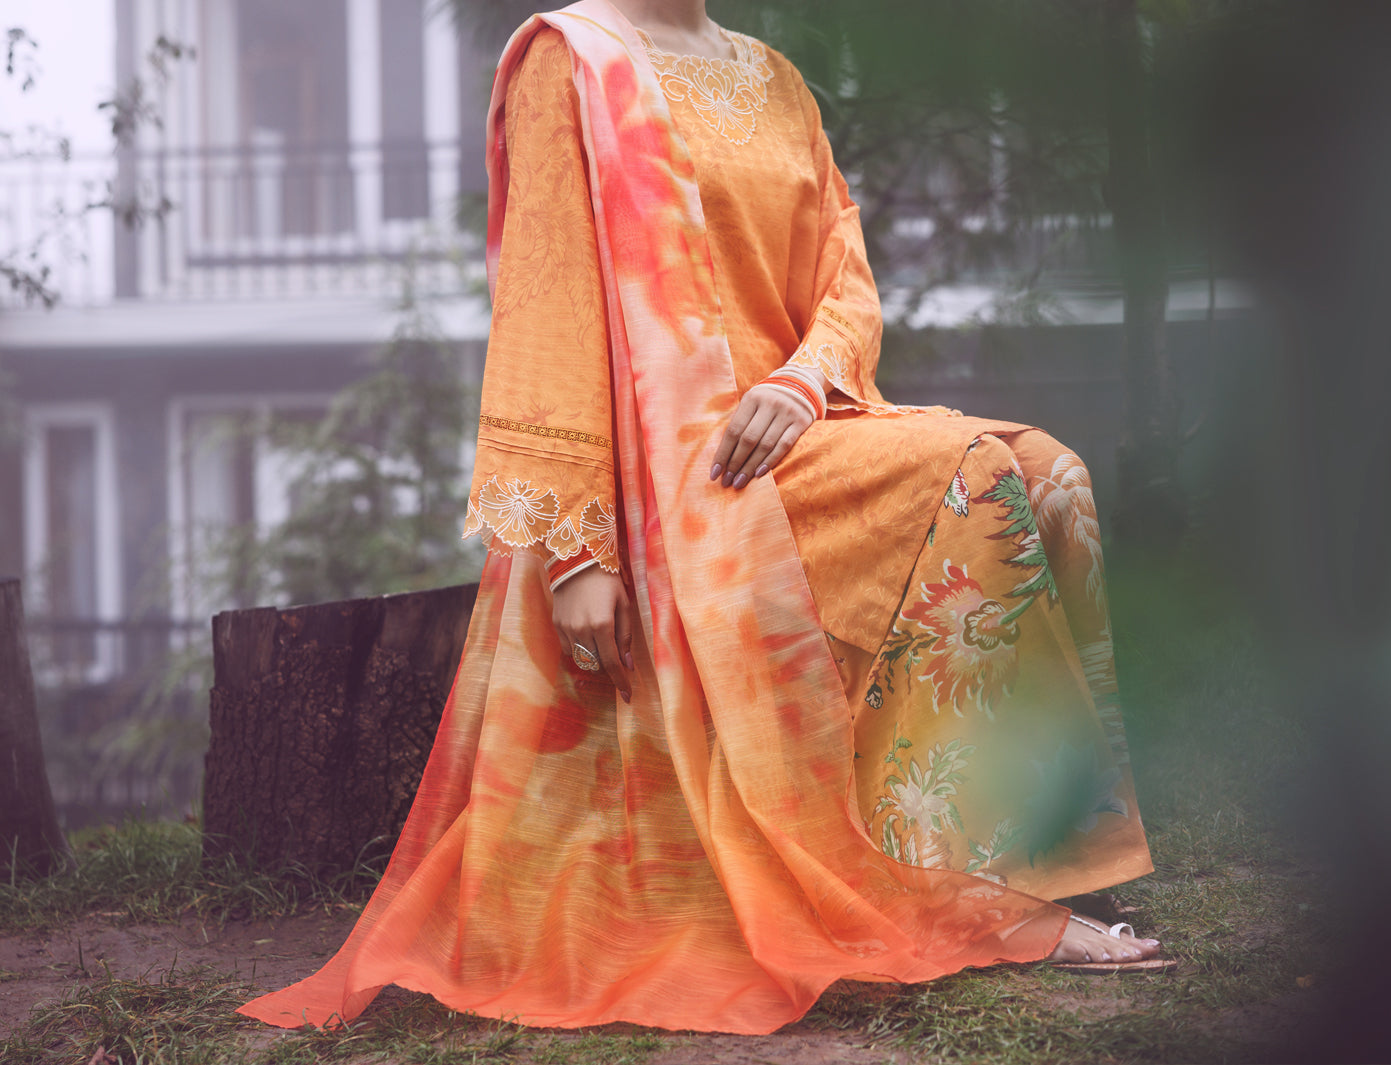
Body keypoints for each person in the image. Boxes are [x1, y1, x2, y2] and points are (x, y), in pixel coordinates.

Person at [240, 0, 1166, 1036]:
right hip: (664, 480)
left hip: (795, 435)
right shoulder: (571, 59)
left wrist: (804, 382)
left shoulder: (774, 78)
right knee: (979, 478)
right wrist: (575, 549)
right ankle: (975, 898)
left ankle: (1026, 853)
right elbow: (548, 299)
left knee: (1050, 472)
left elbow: (845, 279)